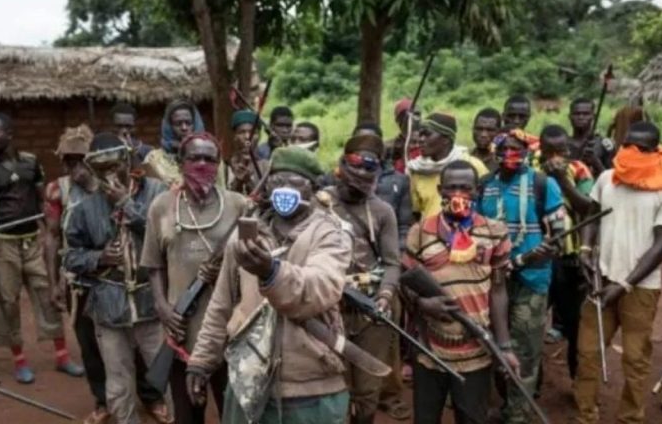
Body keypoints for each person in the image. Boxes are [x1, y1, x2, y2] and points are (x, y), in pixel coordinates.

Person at [186, 147, 351, 424]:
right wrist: (202, 361)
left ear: (312, 188)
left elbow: (319, 289)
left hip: (309, 386)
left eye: (294, 182)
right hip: (247, 379)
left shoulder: (330, 234)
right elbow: (221, 304)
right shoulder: (245, 234)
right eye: (277, 180)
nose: (284, 189)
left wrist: (271, 272)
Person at [43, 126, 171, 424]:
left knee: (164, 374)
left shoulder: (156, 192)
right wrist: (98, 258)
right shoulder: (83, 206)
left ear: (127, 161)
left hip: (151, 302)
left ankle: (164, 408)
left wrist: (126, 204)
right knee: (117, 381)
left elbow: (166, 237)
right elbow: (70, 256)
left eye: (114, 166)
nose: (110, 174)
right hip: (108, 305)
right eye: (101, 170)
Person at [402, 160, 520, 424]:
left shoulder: (495, 232)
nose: (458, 194)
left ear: (477, 190)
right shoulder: (419, 232)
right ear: (440, 190)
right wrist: (422, 304)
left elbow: (498, 290)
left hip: (476, 350)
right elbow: (405, 284)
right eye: (451, 187)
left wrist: (504, 346)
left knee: (471, 417)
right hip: (429, 350)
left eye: (466, 188)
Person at [573, 121, 662, 424]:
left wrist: (625, 284)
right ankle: (585, 415)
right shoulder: (607, 178)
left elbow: (661, 245)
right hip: (600, 279)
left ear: (655, 150)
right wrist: (585, 250)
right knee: (588, 353)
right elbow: (592, 216)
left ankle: (631, 417)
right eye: (627, 145)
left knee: (635, 357)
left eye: (640, 148)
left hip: (640, 288)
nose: (631, 152)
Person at [142, 132, 247, 424]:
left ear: (219, 164)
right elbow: (153, 265)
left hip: (229, 332)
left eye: (209, 159)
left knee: (233, 413)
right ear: (180, 163)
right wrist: (163, 307)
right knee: (188, 415)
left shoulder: (238, 205)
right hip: (182, 330)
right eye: (194, 158)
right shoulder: (161, 206)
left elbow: (253, 262)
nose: (202, 164)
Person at [0, 113, 82, 384]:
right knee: (8, 302)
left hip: (33, 241)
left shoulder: (31, 163)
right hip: (2, 244)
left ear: (9, 134)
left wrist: (53, 240)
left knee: (49, 295)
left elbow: (43, 204)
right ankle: (19, 361)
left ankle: (62, 356)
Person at [477, 127, 565, 423]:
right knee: (491, 345)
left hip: (532, 279)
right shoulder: (484, 185)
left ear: (527, 152)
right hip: (490, 279)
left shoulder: (543, 184)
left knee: (525, 350)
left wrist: (543, 251)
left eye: (516, 149)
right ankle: (501, 403)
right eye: (503, 148)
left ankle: (518, 414)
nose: (509, 154)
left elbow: (559, 238)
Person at [321, 134, 400, 424]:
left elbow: (392, 263)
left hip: (370, 309)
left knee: (368, 391)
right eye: (355, 164)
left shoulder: (382, 211)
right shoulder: (321, 204)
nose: (361, 173)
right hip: (328, 307)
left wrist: (385, 296)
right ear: (342, 164)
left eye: (370, 167)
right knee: (334, 384)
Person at [536, 125, 594, 380]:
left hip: (569, 258)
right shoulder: (530, 170)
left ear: (568, 150)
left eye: (560, 151)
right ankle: (532, 381)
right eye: (549, 151)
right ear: (541, 149)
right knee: (531, 322)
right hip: (537, 256)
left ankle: (577, 380)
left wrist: (561, 179)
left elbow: (588, 208)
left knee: (575, 324)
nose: (555, 157)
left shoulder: (579, 170)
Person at [407, 112, 488, 221]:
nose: (421, 139)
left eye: (427, 134)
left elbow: (487, 204)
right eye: (421, 135)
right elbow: (416, 212)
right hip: (430, 230)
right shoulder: (418, 170)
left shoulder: (473, 166)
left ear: (446, 139)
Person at [566, 98, 615, 177]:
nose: (581, 117)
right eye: (576, 114)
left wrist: (595, 162)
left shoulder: (605, 145)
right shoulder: (561, 143)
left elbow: (612, 178)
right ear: (570, 116)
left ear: (593, 116)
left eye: (586, 114)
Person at [228, 110, 268, 195]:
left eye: (253, 133)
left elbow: (266, 198)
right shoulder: (224, 167)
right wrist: (238, 180)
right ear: (234, 136)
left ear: (259, 136)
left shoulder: (266, 167)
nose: (247, 137)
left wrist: (248, 182)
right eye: (241, 132)